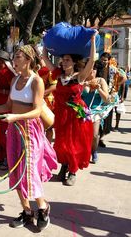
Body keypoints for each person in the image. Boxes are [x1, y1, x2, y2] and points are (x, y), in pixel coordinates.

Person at [0, 45, 57, 231]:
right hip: (14, 130)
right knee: (15, 171)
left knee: (29, 172)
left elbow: (37, 110)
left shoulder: (37, 81)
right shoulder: (14, 80)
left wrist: (16, 117)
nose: (14, 59)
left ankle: (43, 208)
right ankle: (27, 212)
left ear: (28, 59)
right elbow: (8, 105)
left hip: (30, 130)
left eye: (18, 56)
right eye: (14, 56)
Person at [42, 33, 96, 186]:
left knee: (73, 144)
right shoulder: (58, 75)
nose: (63, 62)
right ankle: (64, 167)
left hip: (75, 115)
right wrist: (45, 41)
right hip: (61, 113)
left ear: (74, 62)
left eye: (67, 60)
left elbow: (91, 61)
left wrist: (92, 42)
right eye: (63, 60)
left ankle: (72, 171)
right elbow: (45, 58)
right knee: (61, 143)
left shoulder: (79, 77)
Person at [0, 50, 15, 170]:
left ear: (3, 61)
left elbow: (12, 91)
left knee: (4, 134)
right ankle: (1, 158)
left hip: (5, 107)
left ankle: (7, 158)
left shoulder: (9, 74)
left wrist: (0, 91)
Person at [81, 62, 109, 164]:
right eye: (90, 68)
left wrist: (99, 88)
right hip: (82, 111)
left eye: (94, 69)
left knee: (94, 135)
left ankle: (94, 151)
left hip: (95, 111)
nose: (92, 71)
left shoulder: (101, 81)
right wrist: (83, 86)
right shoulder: (82, 80)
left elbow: (106, 99)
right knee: (82, 135)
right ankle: (84, 152)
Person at [98, 53, 126, 145]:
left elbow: (124, 78)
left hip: (109, 96)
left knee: (107, 117)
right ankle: (98, 136)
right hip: (99, 95)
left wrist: (116, 85)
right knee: (98, 116)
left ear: (109, 60)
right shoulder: (97, 68)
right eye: (102, 59)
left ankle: (101, 137)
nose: (103, 61)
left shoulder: (113, 69)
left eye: (105, 60)